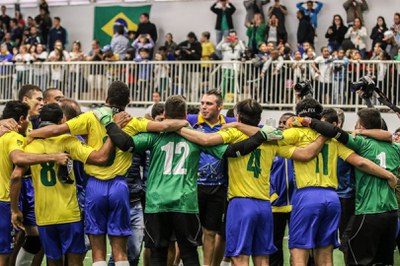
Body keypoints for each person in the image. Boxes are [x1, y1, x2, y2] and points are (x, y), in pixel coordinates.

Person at [93, 95, 285, 266]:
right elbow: (232, 151)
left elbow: (126, 144)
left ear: (165, 115)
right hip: (186, 203)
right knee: (189, 253)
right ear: (186, 115)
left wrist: (108, 123)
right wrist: (260, 136)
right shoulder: (196, 137)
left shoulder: (154, 136)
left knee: (158, 252)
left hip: (157, 203)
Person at [27, 81, 188, 265]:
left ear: (106, 99)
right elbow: (164, 126)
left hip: (95, 186)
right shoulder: (133, 121)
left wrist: (31, 135)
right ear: (129, 100)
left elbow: (56, 129)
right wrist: (185, 121)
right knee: (120, 253)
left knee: (98, 254)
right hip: (120, 186)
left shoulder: (89, 118)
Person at [222, 98, 398, 266]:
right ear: (319, 116)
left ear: (298, 116)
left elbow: (266, 135)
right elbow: (359, 161)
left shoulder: (296, 133)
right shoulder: (331, 137)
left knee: (299, 253)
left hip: (307, 196)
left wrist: (238, 125)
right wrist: (388, 175)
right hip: (332, 198)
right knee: (325, 254)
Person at [10, 103, 114, 266]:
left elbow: (16, 176)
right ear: (62, 120)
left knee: (53, 261)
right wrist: (112, 135)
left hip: (44, 215)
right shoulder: (68, 141)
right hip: (68, 214)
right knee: (74, 261)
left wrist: (15, 209)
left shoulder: (29, 145)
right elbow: (100, 158)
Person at [296, 108, 399, 265]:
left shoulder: (361, 143)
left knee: (357, 258)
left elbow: (332, 131)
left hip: (369, 211)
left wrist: (306, 120)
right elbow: (389, 136)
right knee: (384, 261)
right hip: (392, 212)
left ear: (360, 125)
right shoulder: (395, 148)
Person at [0, 100, 69, 266]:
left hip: (16, 195)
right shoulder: (13, 137)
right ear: (22, 119)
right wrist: (54, 157)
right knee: (4, 253)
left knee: (32, 236)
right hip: (5, 199)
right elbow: (18, 160)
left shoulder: (9, 135)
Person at [186, 90, 235, 266]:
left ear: (220, 107)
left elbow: (253, 126)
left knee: (211, 232)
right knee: (186, 233)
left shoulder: (229, 124)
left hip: (218, 187)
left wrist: (236, 126)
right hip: (193, 186)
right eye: (202, 103)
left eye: (209, 104)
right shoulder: (192, 121)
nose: (204, 107)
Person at [269, 112, 296, 266]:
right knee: (274, 246)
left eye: (284, 122)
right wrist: (271, 195)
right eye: (279, 122)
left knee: (297, 246)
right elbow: (264, 173)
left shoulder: (300, 145)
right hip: (275, 206)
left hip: (296, 205)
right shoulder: (271, 145)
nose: (280, 125)